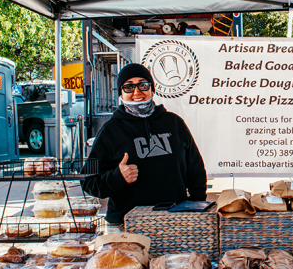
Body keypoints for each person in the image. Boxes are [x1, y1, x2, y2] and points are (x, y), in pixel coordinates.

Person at [82, 63, 207, 225]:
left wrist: (196, 206)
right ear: (120, 92)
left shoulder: (174, 123)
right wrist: (117, 177)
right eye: (128, 87)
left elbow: (195, 170)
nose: (137, 92)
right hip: (126, 224)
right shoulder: (110, 131)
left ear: (152, 89)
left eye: (143, 85)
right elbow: (88, 182)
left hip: (175, 221)